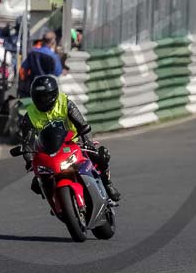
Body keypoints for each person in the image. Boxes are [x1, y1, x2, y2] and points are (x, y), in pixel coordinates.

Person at [20, 74, 121, 202]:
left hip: (74, 142)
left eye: (46, 97)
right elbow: (27, 143)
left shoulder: (65, 103)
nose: (42, 100)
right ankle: (57, 202)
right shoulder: (30, 115)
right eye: (39, 97)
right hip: (49, 151)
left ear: (54, 94)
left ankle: (107, 184)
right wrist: (29, 160)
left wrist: (88, 142)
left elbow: (82, 124)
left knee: (100, 155)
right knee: (38, 183)